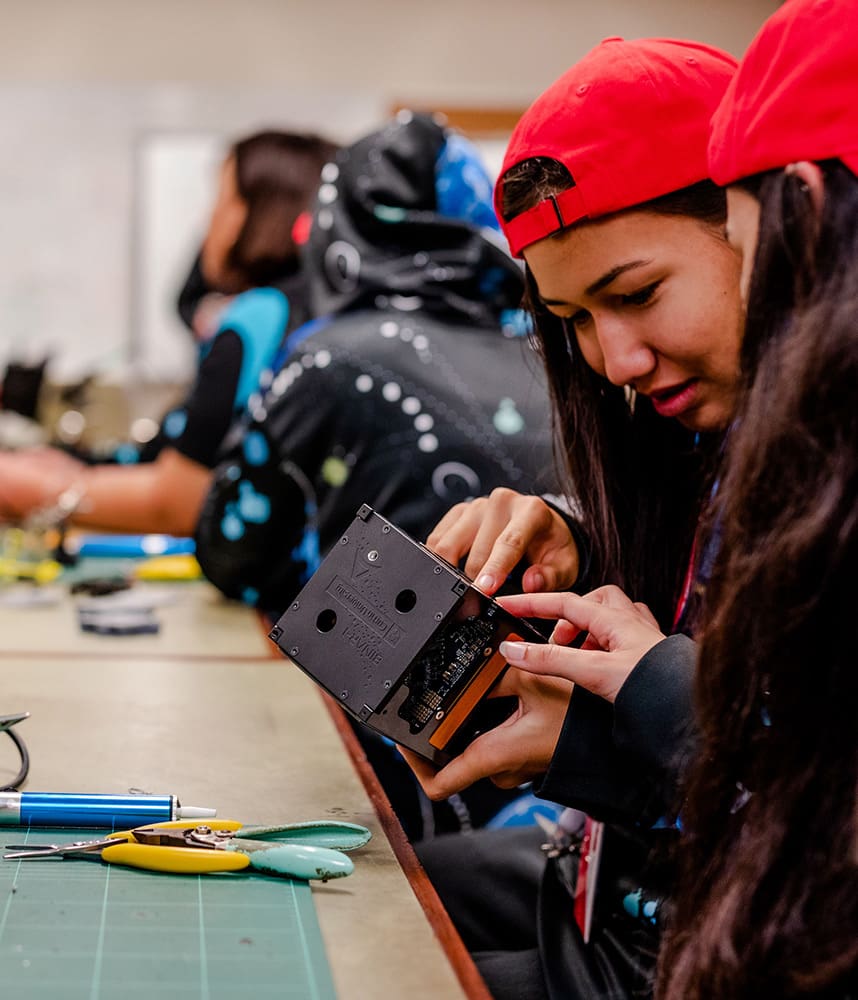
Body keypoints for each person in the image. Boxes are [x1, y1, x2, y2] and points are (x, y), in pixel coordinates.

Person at [398, 37, 743, 1000]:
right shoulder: (695, 437)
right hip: (625, 898)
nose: (614, 359)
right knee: (363, 899)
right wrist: (581, 530)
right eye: (573, 320)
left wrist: (634, 706)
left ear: (760, 233)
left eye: (636, 296)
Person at [193, 111, 557, 621]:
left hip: (386, 686)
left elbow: (231, 550)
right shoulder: (557, 347)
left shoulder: (330, 356)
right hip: (575, 681)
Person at [0, 129, 336, 535]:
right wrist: (79, 467)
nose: (207, 221)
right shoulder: (330, 307)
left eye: (220, 201)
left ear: (263, 212)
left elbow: (180, 503)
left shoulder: (260, 314)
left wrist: (33, 488)